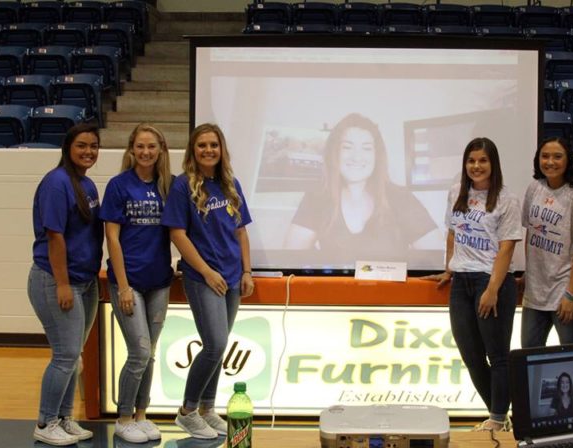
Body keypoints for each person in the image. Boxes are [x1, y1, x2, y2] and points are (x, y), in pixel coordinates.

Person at [161, 123, 254, 440]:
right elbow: (177, 234)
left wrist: (247, 271)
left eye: (213, 144)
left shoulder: (230, 184)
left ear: (221, 149)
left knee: (220, 345)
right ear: (193, 150)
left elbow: (241, 231)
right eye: (202, 145)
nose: (208, 150)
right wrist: (205, 271)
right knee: (213, 345)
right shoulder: (182, 186)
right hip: (203, 277)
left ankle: (207, 408)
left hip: (230, 277)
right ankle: (187, 411)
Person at [423, 137, 522, 432]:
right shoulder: (457, 192)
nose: (476, 166)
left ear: (493, 164)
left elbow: (507, 249)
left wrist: (492, 289)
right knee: (471, 355)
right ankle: (501, 416)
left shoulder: (507, 199)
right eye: (471, 161)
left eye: (482, 161)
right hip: (462, 282)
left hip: (491, 282)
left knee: (498, 354)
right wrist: (448, 268)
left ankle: (496, 418)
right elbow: (452, 233)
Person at [27, 123, 102, 446]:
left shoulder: (87, 185)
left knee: (74, 355)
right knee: (65, 354)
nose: (88, 151)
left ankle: (65, 418)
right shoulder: (57, 183)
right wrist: (61, 285)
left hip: (85, 282)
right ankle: (46, 422)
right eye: (82, 145)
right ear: (67, 148)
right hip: (57, 280)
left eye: (94, 146)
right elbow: (55, 237)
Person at [99, 124, 174, 443]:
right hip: (127, 282)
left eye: (151, 147)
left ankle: (142, 415)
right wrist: (124, 286)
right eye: (140, 146)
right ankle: (124, 416)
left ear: (161, 150)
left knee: (151, 352)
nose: (146, 152)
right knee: (139, 351)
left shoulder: (169, 185)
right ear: (131, 150)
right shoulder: (119, 185)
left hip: (159, 281)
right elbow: (112, 238)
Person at [284, 113, 437, 264]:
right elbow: (290, 260)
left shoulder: (401, 198)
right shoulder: (316, 199)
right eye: (347, 147)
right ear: (334, 153)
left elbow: (437, 260)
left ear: (377, 156)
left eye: (367, 148)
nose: (357, 157)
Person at [521, 137, 573, 348]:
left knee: (570, 360)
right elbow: (530, 235)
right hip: (535, 293)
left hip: (565, 292)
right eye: (545, 156)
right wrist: (528, 272)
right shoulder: (534, 188)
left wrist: (571, 294)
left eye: (557, 156)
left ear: (568, 160)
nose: (550, 162)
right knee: (528, 358)